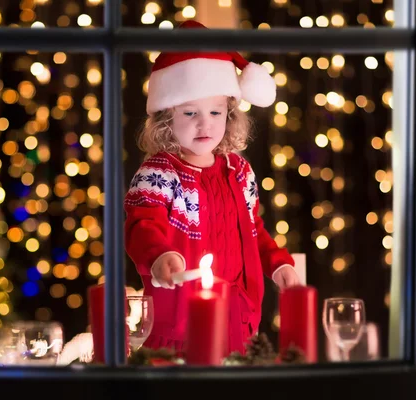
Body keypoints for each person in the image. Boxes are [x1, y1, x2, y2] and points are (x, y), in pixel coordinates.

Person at [123, 20, 301, 355]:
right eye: (190, 112)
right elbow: (141, 226)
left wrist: (278, 263)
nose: (205, 123)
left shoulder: (239, 171)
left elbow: (254, 229)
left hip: (240, 320)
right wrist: (160, 256)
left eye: (215, 111)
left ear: (229, 115)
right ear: (166, 121)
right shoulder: (159, 173)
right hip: (179, 326)